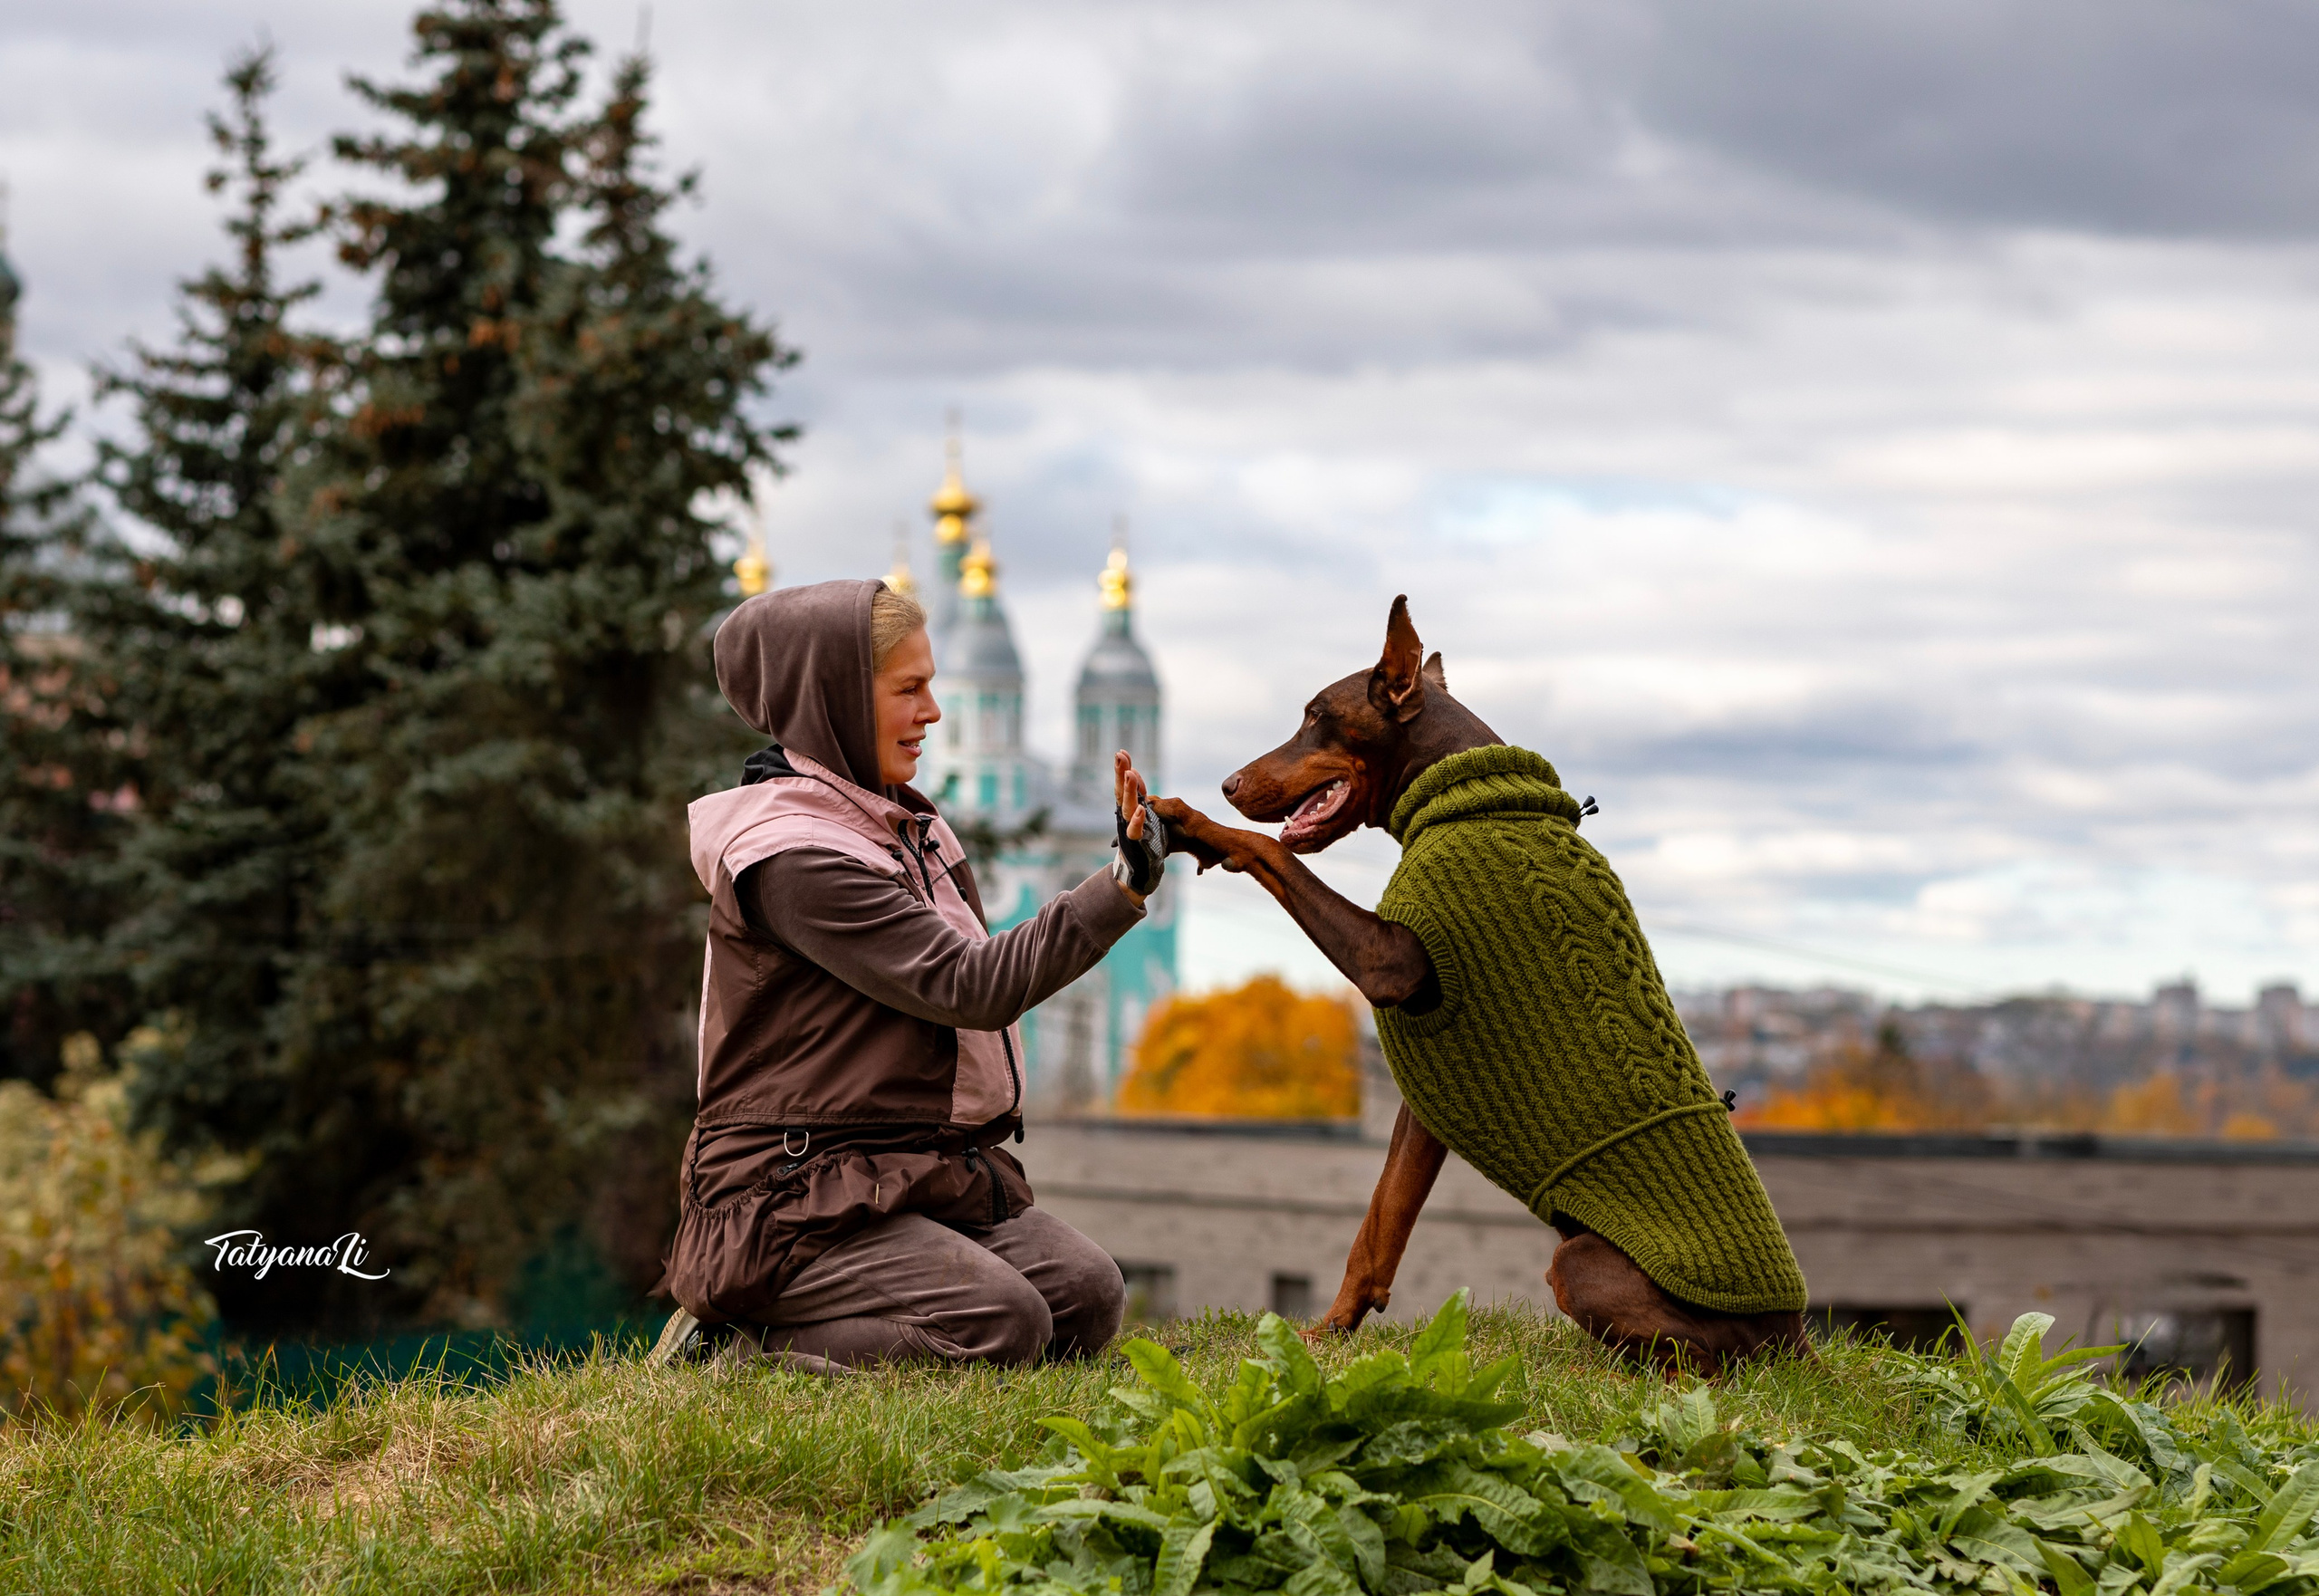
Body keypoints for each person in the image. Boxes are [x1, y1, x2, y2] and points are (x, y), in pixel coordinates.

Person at [648, 578, 1165, 1372]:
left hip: (902, 1167)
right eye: (909, 689)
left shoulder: (896, 826)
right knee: (1003, 1325)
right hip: (792, 1190)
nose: (935, 712)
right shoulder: (796, 856)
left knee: (1086, 1294)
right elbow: (969, 986)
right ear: (838, 700)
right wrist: (1119, 886)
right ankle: (738, 1351)